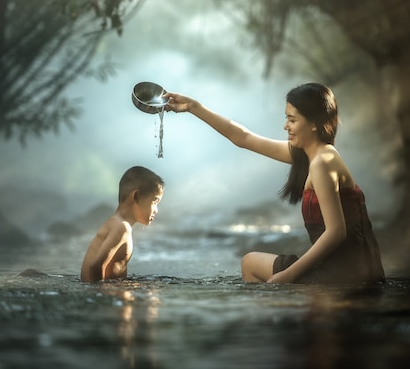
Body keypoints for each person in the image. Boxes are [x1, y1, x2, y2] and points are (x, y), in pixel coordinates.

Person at [164, 83, 384, 285]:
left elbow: (336, 232)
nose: (285, 126)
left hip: (347, 274)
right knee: (250, 262)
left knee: (252, 265)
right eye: (286, 118)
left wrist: (288, 275)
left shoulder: (322, 162)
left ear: (315, 123)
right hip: (352, 268)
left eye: (293, 119)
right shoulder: (311, 155)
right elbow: (244, 138)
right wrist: (193, 107)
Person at [80, 166, 164, 283]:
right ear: (136, 196)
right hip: (108, 295)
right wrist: (99, 297)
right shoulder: (121, 227)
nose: (156, 210)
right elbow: (95, 267)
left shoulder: (116, 223)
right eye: (154, 201)